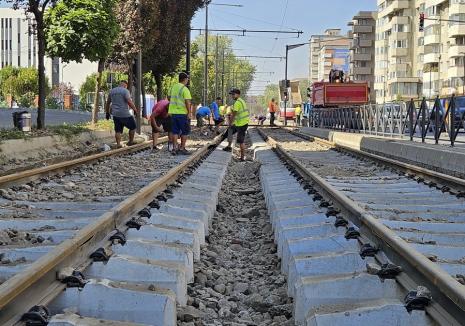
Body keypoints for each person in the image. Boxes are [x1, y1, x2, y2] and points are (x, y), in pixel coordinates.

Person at [105, 80, 139, 148]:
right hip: (125, 114)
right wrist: (135, 109)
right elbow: (129, 101)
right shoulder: (125, 91)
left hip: (115, 114)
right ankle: (131, 141)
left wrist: (107, 112)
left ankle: (118, 144)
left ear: (119, 84)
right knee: (133, 127)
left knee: (118, 130)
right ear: (125, 85)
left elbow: (108, 103)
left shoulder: (112, 91)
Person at [168, 72, 192, 155]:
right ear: (185, 79)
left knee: (175, 131)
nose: (187, 81)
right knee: (185, 131)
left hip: (173, 113)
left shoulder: (173, 87)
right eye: (187, 79)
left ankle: (174, 148)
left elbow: (168, 97)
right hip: (182, 113)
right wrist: (189, 112)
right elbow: (187, 102)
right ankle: (182, 148)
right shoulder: (185, 89)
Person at [223, 88, 249, 161]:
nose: (232, 96)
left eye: (233, 94)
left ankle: (242, 158)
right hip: (240, 123)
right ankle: (228, 146)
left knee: (240, 141)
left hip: (242, 124)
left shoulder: (237, 103)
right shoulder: (241, 101)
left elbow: (233, 115)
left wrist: (230, 123)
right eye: (231, 94)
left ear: (238, 94)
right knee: (230, 131)